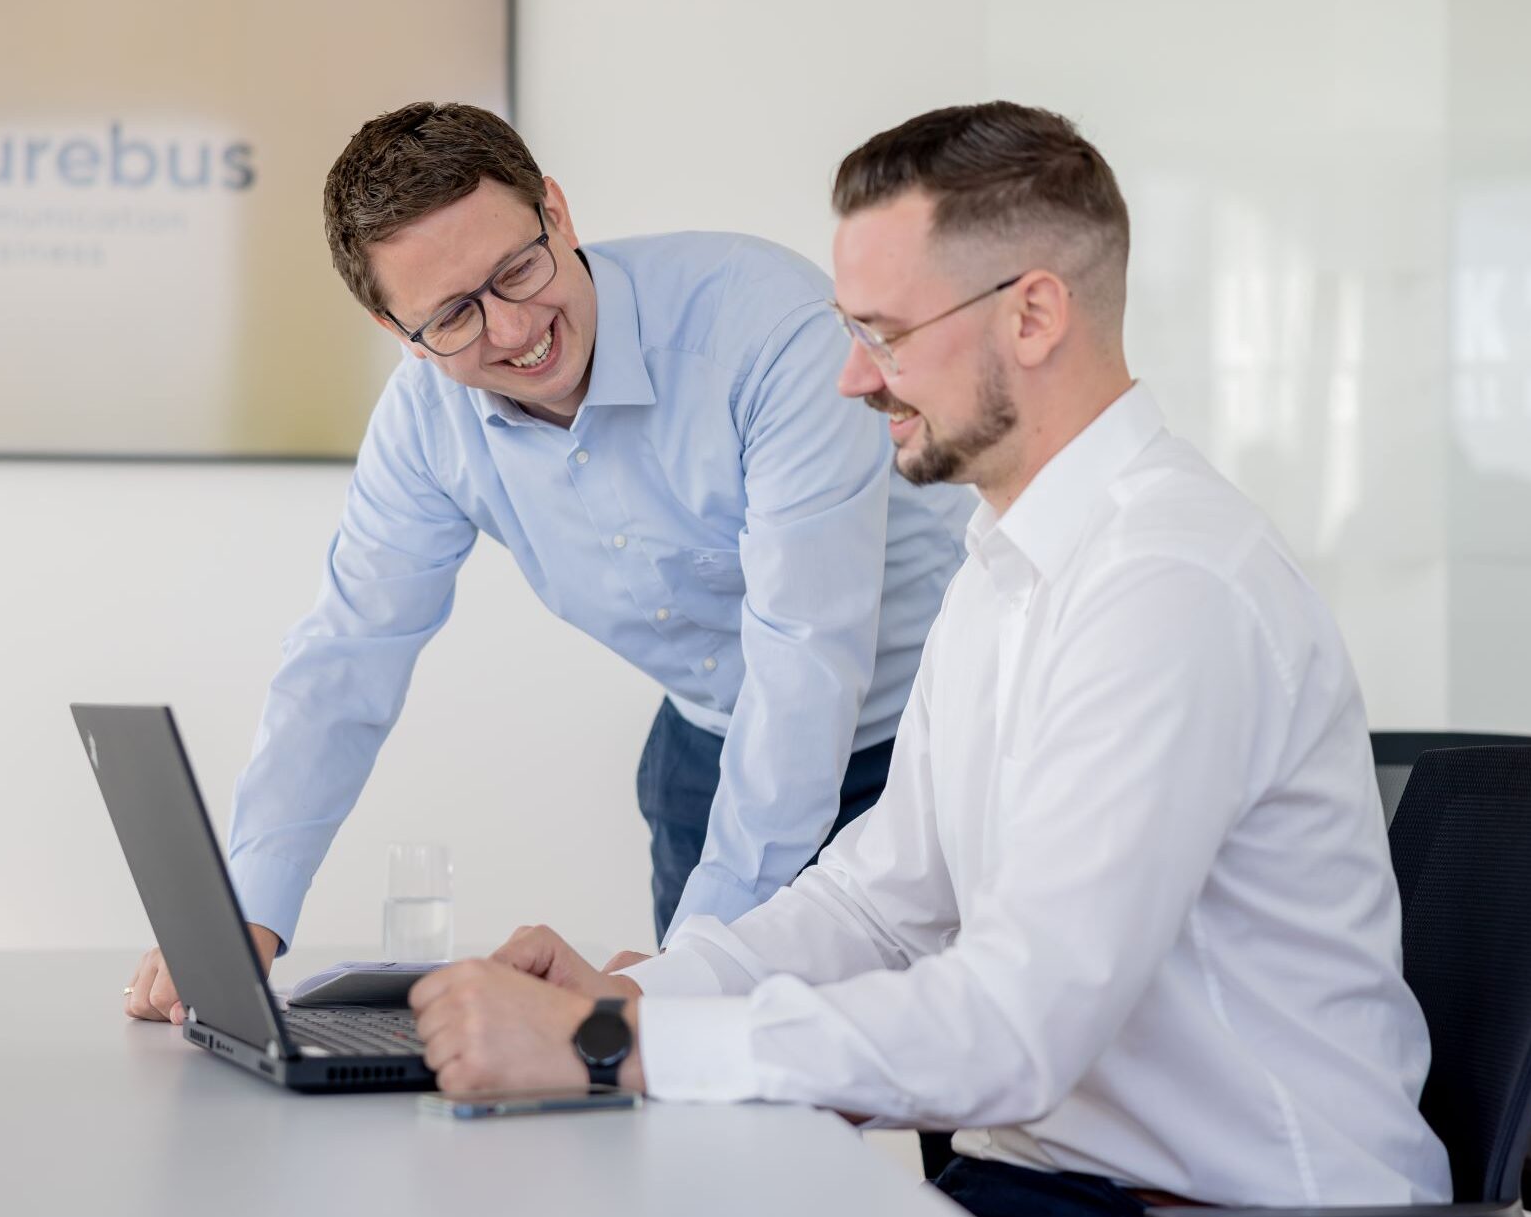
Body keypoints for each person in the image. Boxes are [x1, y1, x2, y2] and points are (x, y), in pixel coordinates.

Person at [400, 102, 1454, 1216]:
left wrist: (615, 1042)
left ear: (1033, 314)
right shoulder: (1008, 566)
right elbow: (876, 905)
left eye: (884, 334)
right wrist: (638, 988)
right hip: (1051, 1183)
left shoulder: (1167, 589)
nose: (854, 381)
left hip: (1222, 1202)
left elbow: (1014, 1025)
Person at [122, 103, 970, 1022]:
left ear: (557, 213)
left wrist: (681, 968)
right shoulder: (425, 422)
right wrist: (245, 913)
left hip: (918, 742)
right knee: (714, 1121)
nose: (513, 327)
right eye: (450, 314)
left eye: (517, 269)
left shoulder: (768, 328)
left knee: (940, 1082)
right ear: (395, 329)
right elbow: (346, 654)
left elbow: (806, 661)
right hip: (705, 752)